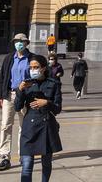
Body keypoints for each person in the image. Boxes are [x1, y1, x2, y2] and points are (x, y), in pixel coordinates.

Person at [15, 54, 63, 182]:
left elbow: (58, 109)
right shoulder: (27, 83)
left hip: (46, 127)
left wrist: (47, 103)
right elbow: (17, 107)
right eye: (31, 67)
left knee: (46, 163)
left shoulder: (53, 84)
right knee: (26, 165)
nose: (33, 70)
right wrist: (19, 91)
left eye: (36, 67)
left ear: (43, 68)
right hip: (29, 128)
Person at [0, 33, 33, 172]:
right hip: (9, 95)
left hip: (26, 96)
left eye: (21, 41)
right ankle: (5, 156)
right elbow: (2, 77)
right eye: (17, 41)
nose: (19, 43)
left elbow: (39, 76)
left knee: (24, 127)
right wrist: (0, 96)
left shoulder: (32, 58)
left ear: (27, 43)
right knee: (5, 125)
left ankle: (23, 154)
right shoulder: (9, 58)